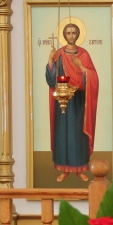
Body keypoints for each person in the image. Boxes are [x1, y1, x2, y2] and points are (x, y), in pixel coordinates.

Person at [45, 22, 100, 182]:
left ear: (77, 35)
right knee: (63, 133)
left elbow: (94, 78)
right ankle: (64, 170)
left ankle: (79, 169)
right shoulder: (59, 54)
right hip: (62, 102)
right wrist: (50, 61)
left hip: (79, 101)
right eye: (68, 33)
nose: (71, 36)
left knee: (78, 134)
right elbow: (51, 80)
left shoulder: (84, 54)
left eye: (73, 33)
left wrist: (81, 67)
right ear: (64, 35)